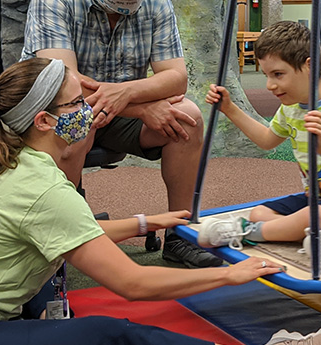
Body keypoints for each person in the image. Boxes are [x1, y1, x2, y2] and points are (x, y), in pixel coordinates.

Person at [0, 58, 321, 345]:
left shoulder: (9, 157)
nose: (88, 109)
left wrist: (145, 222)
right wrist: (231, 273)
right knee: (111, 334)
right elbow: (133, 284)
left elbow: (73, 234)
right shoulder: (42, 188)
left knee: (48, 297)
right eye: (75, 103)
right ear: (45, 121)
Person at [21, 0, 223, 268]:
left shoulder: (157, 5)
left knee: (188, 119)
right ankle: (63, 233)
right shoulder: (53, 2)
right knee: (78, 122)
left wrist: (127, 94)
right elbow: (62, 85)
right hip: (58, 110)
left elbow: (176, 77)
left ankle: (180, 235)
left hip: (120, 114)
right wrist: (141, 108)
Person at [201, 21, 321, 260]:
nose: (269, 85)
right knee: (259, 212)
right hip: (317, 198)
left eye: (278, 74)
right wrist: (230, 109)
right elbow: (267, 141)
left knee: (311, 217)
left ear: (310, 66)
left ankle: (246, 232)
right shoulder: (291, 108)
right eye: (266, 75)